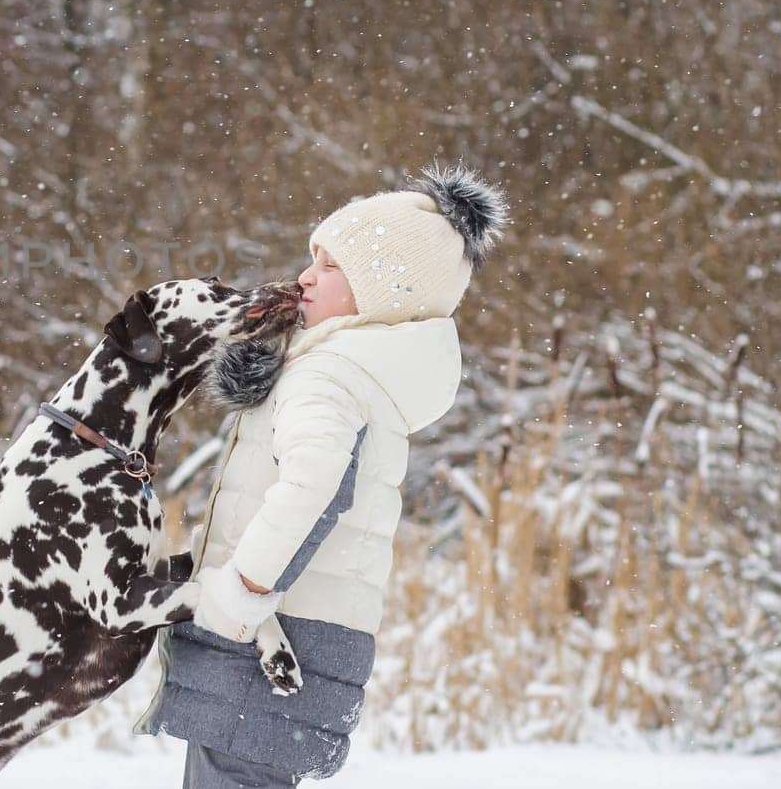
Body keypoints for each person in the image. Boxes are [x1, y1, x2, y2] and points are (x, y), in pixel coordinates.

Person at [135, 162, 510, 787]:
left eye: (334, 265)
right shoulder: (360, 374)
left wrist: (240, 594)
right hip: (305, 631)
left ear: (387, 290)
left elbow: (315, 489)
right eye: (314, 258)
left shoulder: (328, 374)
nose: (307, 275)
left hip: (267, 631)